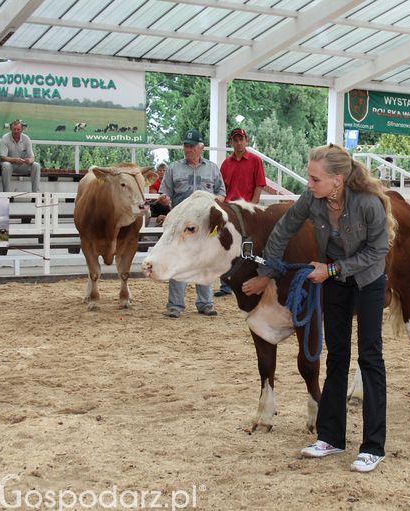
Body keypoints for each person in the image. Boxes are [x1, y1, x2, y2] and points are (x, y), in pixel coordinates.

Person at [242, 144, 395, 473]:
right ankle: (330, 437)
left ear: (337, 180)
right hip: (335, 280)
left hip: (367, 280)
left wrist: (333, 269)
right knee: (336, 356)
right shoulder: (311, 199)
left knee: (370, 357)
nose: (308, 184)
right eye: (309, 178)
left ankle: (373, 447)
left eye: (315, 179)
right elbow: (283, 231)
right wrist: (268, 271)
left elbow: (378, 251)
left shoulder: (368, 203)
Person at [159, 129, 226, 318]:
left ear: (200, 148)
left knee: (204, 261)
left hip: (204, 223)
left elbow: (222, 192)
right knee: (177, 261)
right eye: (186, 146)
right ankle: (175, 305)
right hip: (181, 224)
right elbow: (165, 192)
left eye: (191, 146)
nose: (187, 149)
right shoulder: (173, 168)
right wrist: (164, 199)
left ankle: (206, 303)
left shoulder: (212, 168)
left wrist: (217, 201)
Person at [215, 127, 267, 297]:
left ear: (246, 140)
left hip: (246, 210)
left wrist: (252, 206)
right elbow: (222, 188)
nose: (238, 143)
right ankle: (226, 285)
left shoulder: (255, 160)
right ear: (231, 142)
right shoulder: (226, 164)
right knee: (226, 244)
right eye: (235, 140)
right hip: (229, 209)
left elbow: (259, 185)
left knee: (248, 246)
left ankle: (247, 283)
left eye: (241, 139)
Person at [0, 120, 41, 193]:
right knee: (6, 165)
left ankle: (36, 194)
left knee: (36, 165)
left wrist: (29, 160)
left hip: (22, 165)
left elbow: (32, 157)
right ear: (10, 129)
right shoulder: (5, 138)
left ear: (22, 130)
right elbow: (2, 157)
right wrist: (15, 160)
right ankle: (6, 194)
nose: (16, 131)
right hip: (10, 165)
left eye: (18, 129)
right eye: (14, 129)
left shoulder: (26, 138)